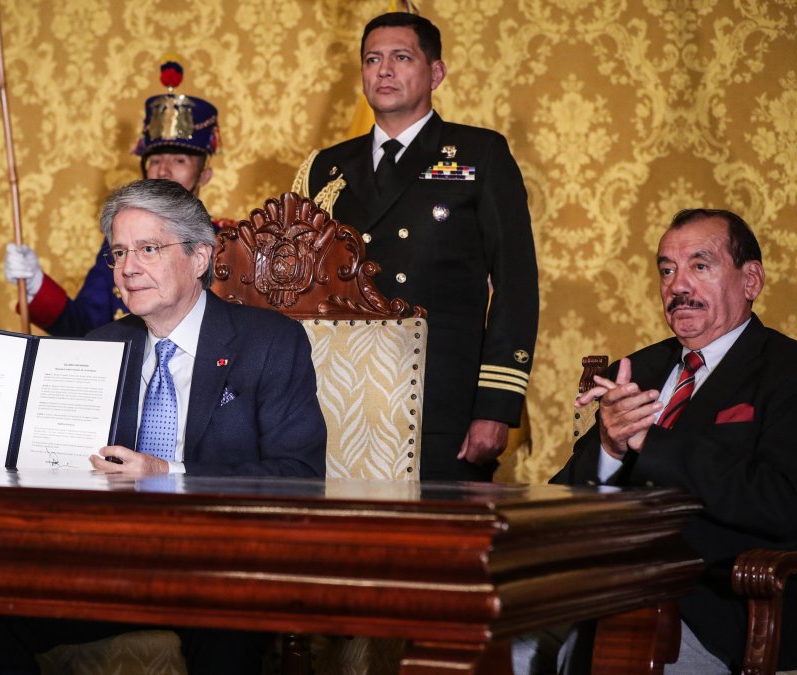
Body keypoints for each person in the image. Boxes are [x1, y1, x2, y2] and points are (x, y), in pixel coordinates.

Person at [0, 179, 327, 673]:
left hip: (221, 564)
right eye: (119, 253)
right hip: (110, 562)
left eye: (149, 249)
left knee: (228, 638)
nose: (129, 269)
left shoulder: (270, 343)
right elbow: (41, 458)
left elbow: (299, 477)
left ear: (199, 257)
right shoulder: (98, 346)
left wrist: (166, 472)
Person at [542, 209, 797, 673]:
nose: (678, 285)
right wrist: (609, 447)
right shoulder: (634, 371)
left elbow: (781, 503)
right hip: (600, 594)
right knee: (477, 644)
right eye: (666, 269)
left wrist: (651, 441)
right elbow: (563, 498)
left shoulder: (786, 371)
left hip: (718, 610)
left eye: (700, 266)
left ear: (751, 280)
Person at [292, 11, 538, 481]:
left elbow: (516, 286)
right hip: (338, 397)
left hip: (440, 399)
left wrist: (497, 406)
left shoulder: (478, 154)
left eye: (401, 57)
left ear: (436, 73)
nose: (383, 70)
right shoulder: (326, 167)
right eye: (372, 59)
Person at [5, 59, 228, 337]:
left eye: (179, 160)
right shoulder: (119, 243)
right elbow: (85, 329)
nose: (164, 170)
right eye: (155, 159)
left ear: (205, 175)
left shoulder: (230, 243)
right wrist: (35, 283)